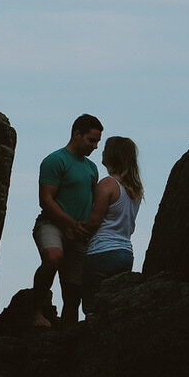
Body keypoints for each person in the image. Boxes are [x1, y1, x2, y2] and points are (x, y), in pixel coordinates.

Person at [33, 114, 102, 324]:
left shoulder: (91, 168)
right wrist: (69, 223)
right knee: (53, 257)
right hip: (51, 225)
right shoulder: (55, 160)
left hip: (79, 233)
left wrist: (87, 228)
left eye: (98, 141)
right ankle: (35, 311)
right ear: (76, 134)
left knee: (74, 290)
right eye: (92, 140)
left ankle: (67, 332)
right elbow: (45, 199)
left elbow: (91, 203)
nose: (95, 146)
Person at [82, 136, 144, 304]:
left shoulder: (108, 184)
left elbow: (94, 221)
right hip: (125, 252)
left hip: (101, 251)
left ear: (112, 155)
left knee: (92, 305)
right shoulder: (135, 189)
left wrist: (77, 231)